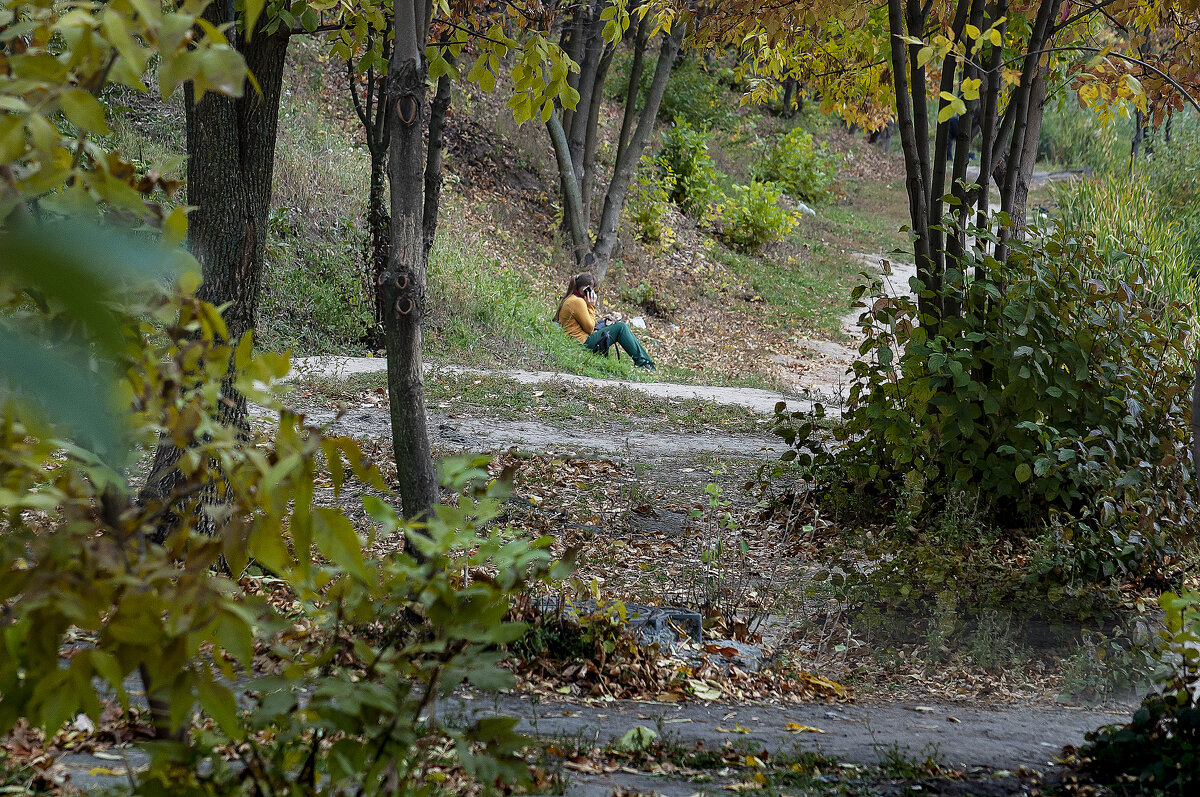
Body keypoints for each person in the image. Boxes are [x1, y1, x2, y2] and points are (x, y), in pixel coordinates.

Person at [554, 271, 655, 370]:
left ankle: (645, 362)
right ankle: (645, 364)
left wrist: (605, 319)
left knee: (617, 325)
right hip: (582, 343)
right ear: (587, 290)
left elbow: (585, 323)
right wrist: (591, 306)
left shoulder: (572, 298)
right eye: (592, 290)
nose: (593, 293)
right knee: (621, 327)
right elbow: (589, 328)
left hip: (578, 341)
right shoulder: (578, 302)